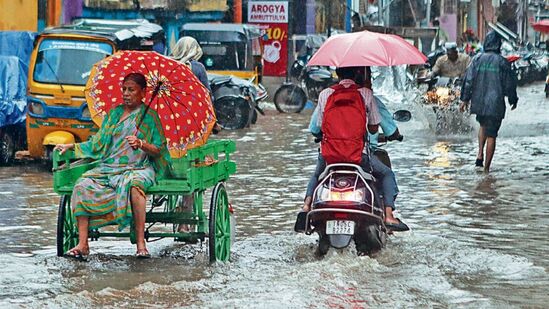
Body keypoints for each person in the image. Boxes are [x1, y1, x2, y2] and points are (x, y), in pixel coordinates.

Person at [54, 73, 171, 260]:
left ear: (143, 92)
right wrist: (73, 147)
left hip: (139, 167)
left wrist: (141, 143)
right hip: (109, 167)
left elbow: (158, 149)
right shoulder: (114, 114)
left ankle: (141, 243)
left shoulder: (150, 118)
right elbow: (97, 144)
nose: (126, 93)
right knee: (81, 185)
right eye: (124, 89)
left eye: (131, 90)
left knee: (134, 186)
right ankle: (83, 244)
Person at [303, 66, 408, 231]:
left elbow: (316, 129)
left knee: (317, 175)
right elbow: (374, 128)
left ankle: (306, 207)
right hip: (358, 156)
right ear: (358, 74)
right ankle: (388, 216)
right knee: (386, 174)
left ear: (337, 74)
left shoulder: (325, 94)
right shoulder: (366, 94)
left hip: (330, 156)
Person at [459, 31, 518, 173]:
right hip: (495, 104)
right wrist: (512, 99)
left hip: (479, 102)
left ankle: (479, 154)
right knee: (492, 134)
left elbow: (468, 81)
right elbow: (509, 84)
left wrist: (464, 99)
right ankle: (486, 170)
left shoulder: (477, 59)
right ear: (498, 45)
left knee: (483, 126)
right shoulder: (503, 62)